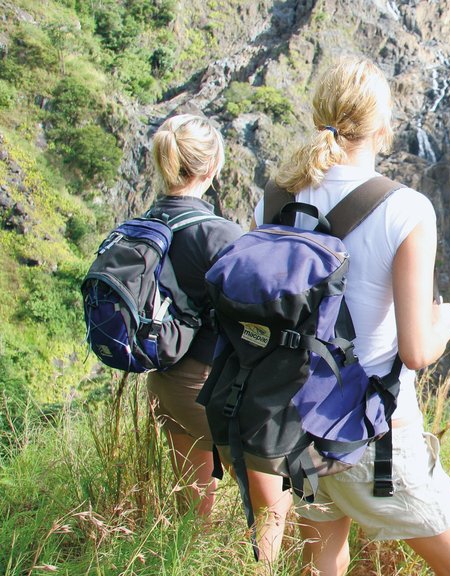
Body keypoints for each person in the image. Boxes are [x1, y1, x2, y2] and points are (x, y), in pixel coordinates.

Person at [253, 56, 450, 576]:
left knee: (322, 563)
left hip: (299, 424)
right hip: (376, 437)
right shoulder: (405, 209)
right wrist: (444, 326)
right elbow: (415, 351)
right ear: (383, 127)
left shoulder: (272, 199)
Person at [146, 113, 291, 560]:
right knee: (273, 502)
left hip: (165, 379)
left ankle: (188, 566)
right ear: (212, 168)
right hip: (210, 385)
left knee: (192, 503)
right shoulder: (218, 233)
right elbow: (262, 310)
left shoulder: (148, 223)